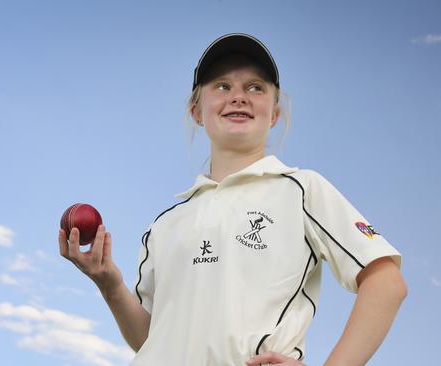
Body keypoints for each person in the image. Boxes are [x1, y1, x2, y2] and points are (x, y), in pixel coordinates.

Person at [59, 33, 407, 365]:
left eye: (255, 88)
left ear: (274, 114)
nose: (239, 96)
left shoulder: (301, 189)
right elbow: (155, 340)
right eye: (222, 86)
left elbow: (386, 282)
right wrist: (110, 283)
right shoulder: (164, 225)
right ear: (196, 110)